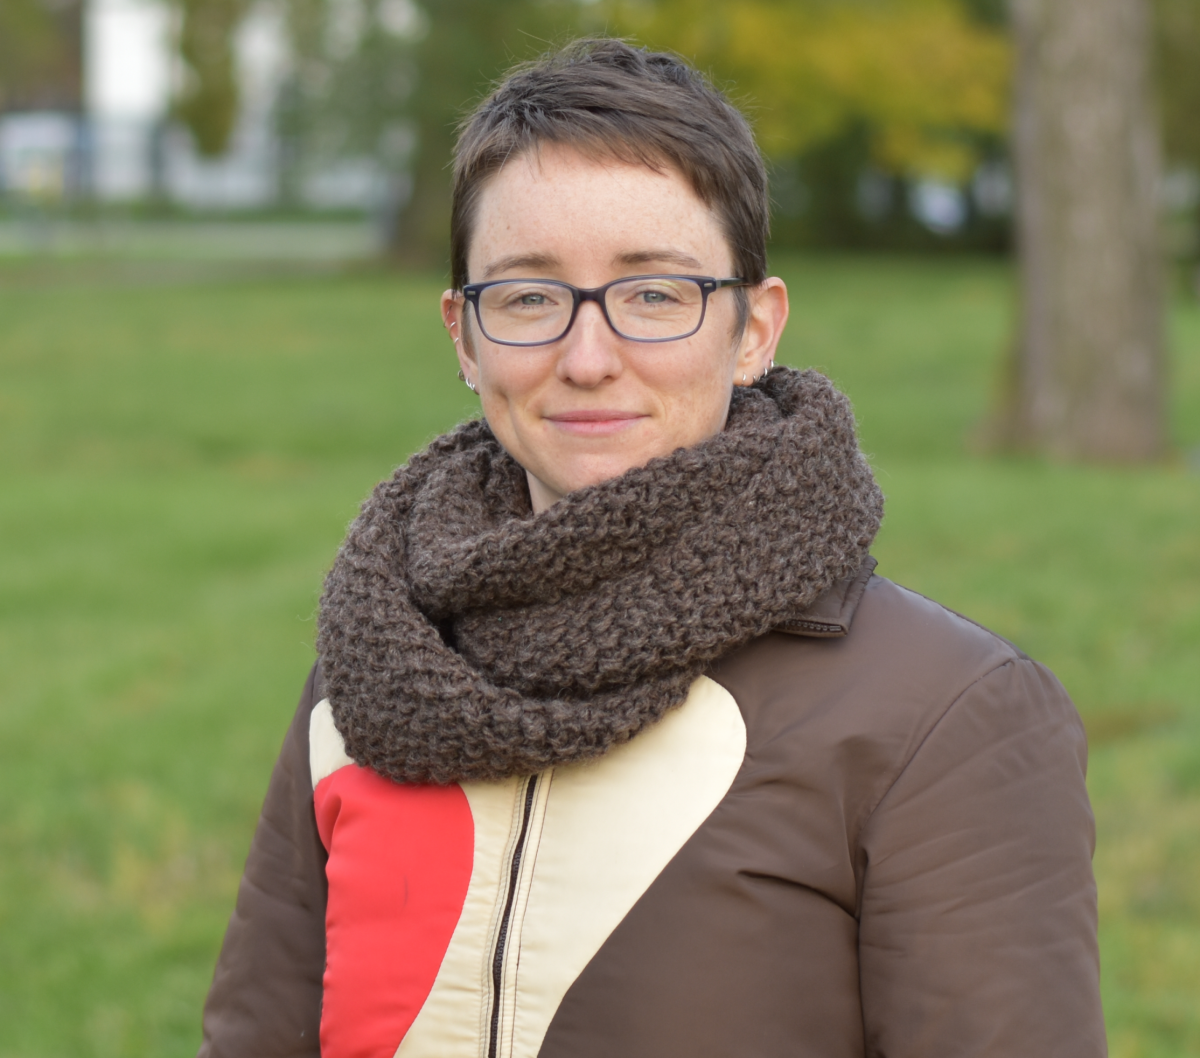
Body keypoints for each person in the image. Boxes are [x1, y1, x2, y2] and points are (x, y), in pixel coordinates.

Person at [198, 39, 1105, 1058]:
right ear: (464, 335)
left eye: (656, 294)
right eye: (529, 297)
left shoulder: (941, 716)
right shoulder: (377, 660)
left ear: (754, 329)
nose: (588, 358)